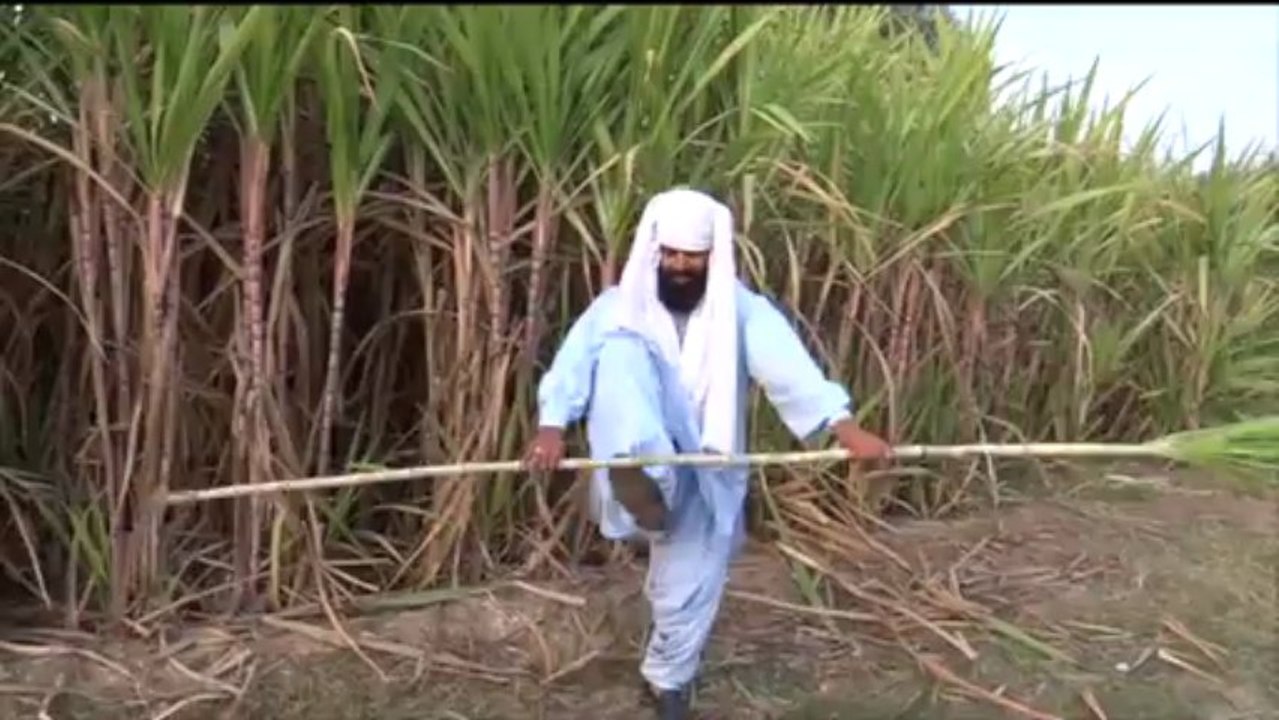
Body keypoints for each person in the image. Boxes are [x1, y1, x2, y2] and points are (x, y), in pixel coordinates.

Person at [522, 187, 891, 719]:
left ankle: (669, 680)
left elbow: (787, 367)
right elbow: (574, 363)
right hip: (637, 450)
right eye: (669, 255)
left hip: (708, 463)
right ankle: (642, 478)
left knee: (690, 585)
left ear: (711, 257)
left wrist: (843, 426)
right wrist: (552, 425)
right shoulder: (619, 307)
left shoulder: (740, 310)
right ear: (654, 252)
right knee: (622, 353)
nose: (678, 267)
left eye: (691, 257)